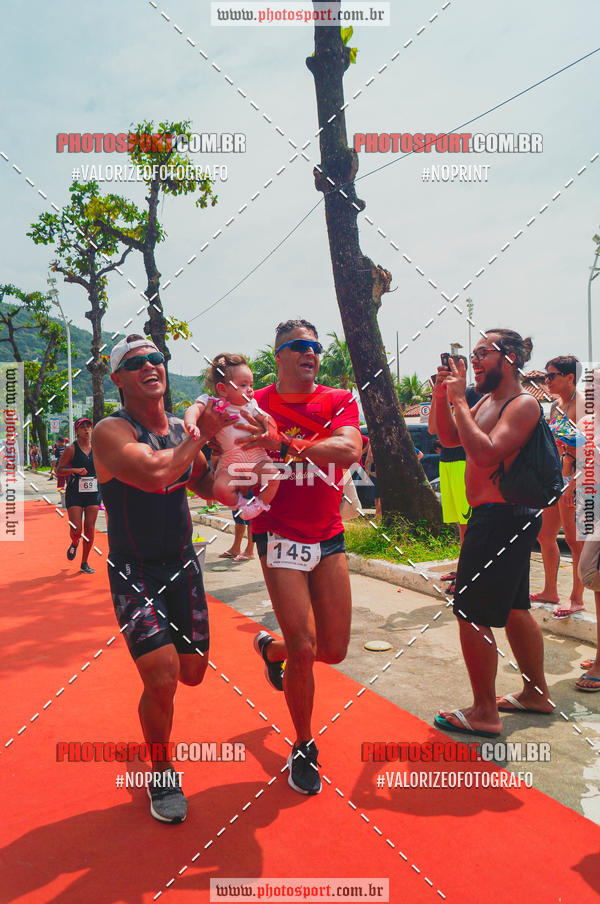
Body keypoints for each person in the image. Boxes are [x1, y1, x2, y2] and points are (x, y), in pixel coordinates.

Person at [92, 334, 232, 823]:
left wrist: (258, 481)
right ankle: (161, 768)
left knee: (190, 674)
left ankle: (155, 717)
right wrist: (201, 436)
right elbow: (154, 474)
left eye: (157, 357)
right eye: (136, 362)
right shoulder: (110, 432)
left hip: (182, 565)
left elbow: (204, 483)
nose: (151, 364)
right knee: (163, 675)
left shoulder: (178, 428)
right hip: (135, 571)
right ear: (119, 379)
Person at [239, 319, 362, 795]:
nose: (310, 353)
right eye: (298, 347)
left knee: (332, 650)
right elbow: (237, 461)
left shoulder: (337, 400)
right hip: (278, 534)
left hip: (327, 534)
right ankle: (304, 745)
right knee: (306, 649)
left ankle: (272, 650)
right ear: (279, 356)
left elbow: (348, 449)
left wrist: (286, 443)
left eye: (315, 346)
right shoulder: (257, 404)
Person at [432, 328, 553, 737]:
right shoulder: (486, 400)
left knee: (469, 612)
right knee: (516, 609)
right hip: (501, 519)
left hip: (500, 520)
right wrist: (442, 395)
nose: (476, 359)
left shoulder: (521, 405)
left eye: (485, 352)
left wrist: (461, 400)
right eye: (475, 352)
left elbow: (484, 453)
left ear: (512, 359)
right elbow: (447, 437)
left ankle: (484, 711)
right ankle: (536, 694)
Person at [184, 354, 279, 520]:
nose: (250, 389)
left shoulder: (251, 406)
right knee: (219, 489)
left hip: (257, 459)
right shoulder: (212, 403)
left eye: (251, 384)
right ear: (222, 389)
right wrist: (191, 423)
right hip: (229, 464)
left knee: (274, 475)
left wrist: (271, 431)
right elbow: (194, 409)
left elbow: (267, 419)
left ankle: (260, 504)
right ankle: (239, 504)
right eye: (243, 385)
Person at [529, 356, 586, 617]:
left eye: (551, 376)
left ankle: (577, 598)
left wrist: (574, 482)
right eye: (545, 376)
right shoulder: (554, 406)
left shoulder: (585, 403)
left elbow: (588, 449)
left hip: (577, 477)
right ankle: (551, 590)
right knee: (545, 534)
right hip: (555, 478)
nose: (546, 381)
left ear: (570, 377)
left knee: (575, 542)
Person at [428, 357, 481, 591]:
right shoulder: (443, 395)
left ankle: (469, 576)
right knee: (461, 523)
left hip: (464, 462)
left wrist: (456, 397)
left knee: (469, 523)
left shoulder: (472, 394)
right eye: (448, 367)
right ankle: (464, 568)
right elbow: (432, 429)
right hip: (446, 463)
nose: (452, 372)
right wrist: (436, 397)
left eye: (458, 367)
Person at [56, 418, 101, 575]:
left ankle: (84, 562)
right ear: (77, 431)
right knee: (76, 529)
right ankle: (75, 542)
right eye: (82, 427)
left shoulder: (98, 447)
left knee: (89, 528)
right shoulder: (71, 449)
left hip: (93, 492)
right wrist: (74, 470)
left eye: (89, 426)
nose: (87, 429)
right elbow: (59, 470)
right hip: (75, 491)